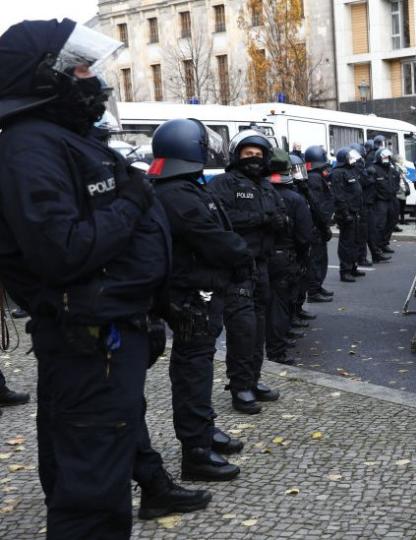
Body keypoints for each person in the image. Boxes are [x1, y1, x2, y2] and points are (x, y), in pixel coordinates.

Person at [0, 19, 210, 536]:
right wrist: (135, 200)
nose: (92, 77)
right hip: (90, 342)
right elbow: (65, 250)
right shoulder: (30, 146)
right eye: (79, 67)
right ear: (42, 78)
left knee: (97, 469)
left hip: (108, 337)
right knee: (92, 497)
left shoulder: (59, 139)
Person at [148, 118, 249, 481]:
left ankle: (203, 433)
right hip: (192, 296)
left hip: (195, 292)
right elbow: (212, 237)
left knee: (198, 366)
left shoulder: (176, 186)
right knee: (193, 370)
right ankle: (195, 452)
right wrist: (242, 250)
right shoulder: (177, 194)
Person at [209, 129, 284, 414]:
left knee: (259, 328)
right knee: (242, 329)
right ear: (236, 156)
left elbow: (279, 215)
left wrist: (280, 221)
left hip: (262, 267)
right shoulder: (223, 184)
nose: (254, 159)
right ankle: (239, 386)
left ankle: (253, 379)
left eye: (258, 155)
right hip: (236, 268)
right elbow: (220, 220)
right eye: (248, 154)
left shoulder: (267, 187)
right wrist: (261, 219)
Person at [264, 150, 313, 366]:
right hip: (285, 258)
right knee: (280, 306)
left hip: (260, 258)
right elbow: (304, 236)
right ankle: (277, 350)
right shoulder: (295, 198)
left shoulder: (260, 192)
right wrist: (302, 259)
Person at [303, 145, 335, 302]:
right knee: (317, 260)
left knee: (320, 259)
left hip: (317, 225)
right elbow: (318, 205)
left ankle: (317, 286)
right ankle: (314, 291)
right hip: (317, 226)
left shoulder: (313, 176)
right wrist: (324, 226)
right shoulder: (314, 178)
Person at [330, 147, 366, 282]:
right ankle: (345, 271)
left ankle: (353, 267)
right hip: (346, 214)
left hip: (355, 211)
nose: (352, 160)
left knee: (356, 241)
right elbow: (339, 195)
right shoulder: (338, 173)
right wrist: (345, 213)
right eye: (349, 157)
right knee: (347, 243)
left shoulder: (351, 170)